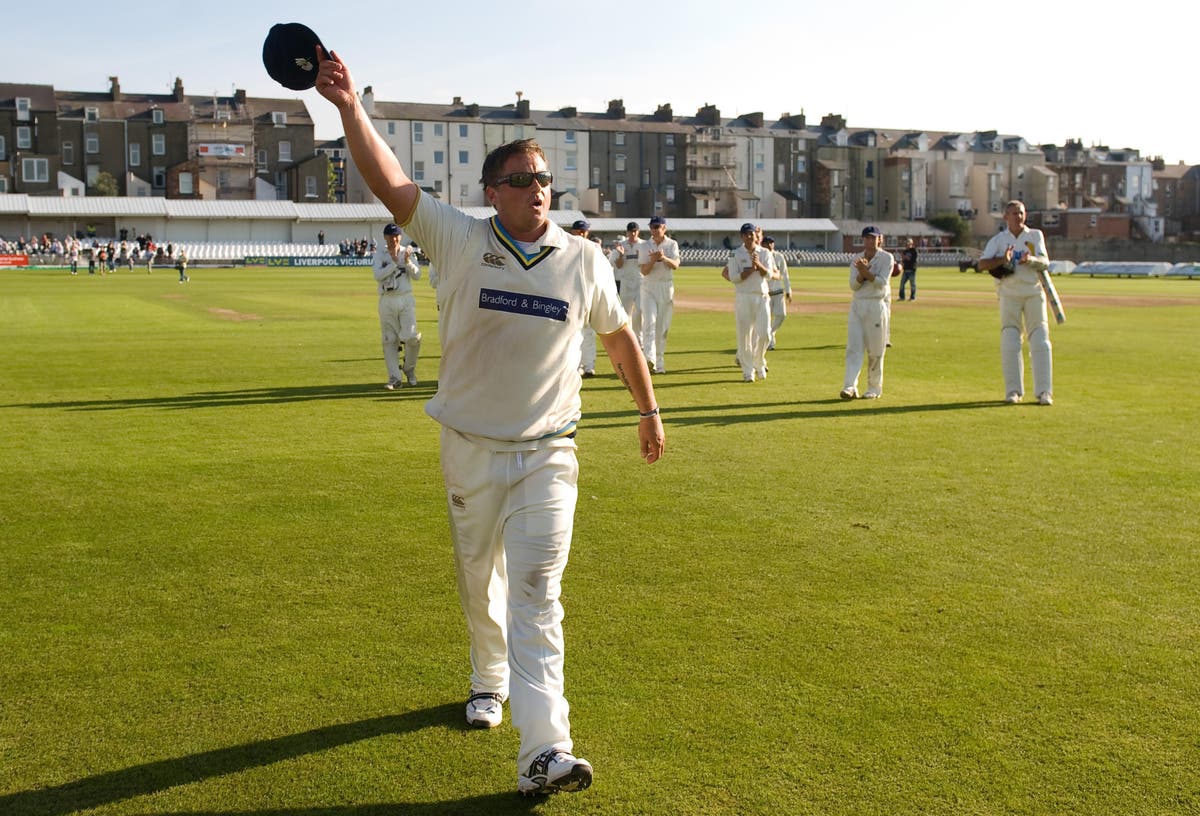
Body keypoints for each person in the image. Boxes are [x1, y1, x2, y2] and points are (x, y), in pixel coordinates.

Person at [316, 46, 664, 797]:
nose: (536, 188)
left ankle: (545, 750)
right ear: (493, 192)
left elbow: (618, 335)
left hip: (549, 453)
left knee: (537, 592)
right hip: (469, 447)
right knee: (481, 578)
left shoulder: (584, 260)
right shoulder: (459, 240)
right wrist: (349, 109)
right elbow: (391, 183)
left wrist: (648, 408)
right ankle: (487, 680)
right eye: (520, 179)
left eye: (543, 177)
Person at [978, 200, 1053, 405]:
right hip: (1008, 293)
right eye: (1013, 214)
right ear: (1005, 217)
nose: (1018, 217)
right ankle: (1013, 391)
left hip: (1033, 292)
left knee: (1040, 340)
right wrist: (1003, 260)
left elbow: (1045, 262)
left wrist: (1031, 260)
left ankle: (1044, 392)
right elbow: (982, 264)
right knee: (1010, 341)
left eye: (1021, 213)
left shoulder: (1035, 235)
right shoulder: (999, 240)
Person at [840, 226, 892, 400]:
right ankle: (849, 386)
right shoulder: (857, 258)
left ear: (880, 239)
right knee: (853, 347)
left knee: (875, 349)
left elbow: (881, 283)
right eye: (867, 238)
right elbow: (853, 285)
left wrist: (864, 272)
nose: (870, 241)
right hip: (857, 305)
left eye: (873, 238)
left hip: (876, 305)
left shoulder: (886, 258)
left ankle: (874, 388)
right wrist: (862, 275)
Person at [373, 223, 423, 389]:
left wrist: (407, 261)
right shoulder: (380, 254)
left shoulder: (407, 251)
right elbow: (378, 275)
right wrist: (394, 262)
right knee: (389, 340)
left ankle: (409, 369)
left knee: (412, 338)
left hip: (405, 298)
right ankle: (394, 378)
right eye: (390, 236)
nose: (394, 239)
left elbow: (417, 275)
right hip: (387, 299)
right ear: (385, 237)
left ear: (400, 237)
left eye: (396, 236)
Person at [724, 223, 774, 382]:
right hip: (744, 296)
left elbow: (770, 275)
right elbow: (733, 277)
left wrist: (758, 265)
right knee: (744, 335)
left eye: (751, 234)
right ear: (742, 237)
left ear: (755, 236)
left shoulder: (765, 253)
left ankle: (759, 361)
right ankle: (747, 370)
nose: (749, 237)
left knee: (765, 333)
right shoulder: (735, 254)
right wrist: (749, 270)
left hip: (762, 296)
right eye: (746, 234)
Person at [637, 216, 679, 374]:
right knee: (649, 323)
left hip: (666, 287)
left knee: (662, 327)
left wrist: (663, 258)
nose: (654, 230)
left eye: (657, 227)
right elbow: (644, 271)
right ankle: (650, 359)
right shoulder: (644, 245)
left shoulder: (672, 244)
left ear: (664, 228)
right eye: (652, 227)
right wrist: (653, 260)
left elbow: (675, 265)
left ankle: (659, 362)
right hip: (648, 287)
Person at [569, 220, 600, 378]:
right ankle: (577, 365)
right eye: (579, 231)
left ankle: (589, 365)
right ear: (573, 231)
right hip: (573, 295)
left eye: (584, 231)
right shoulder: (566, 248)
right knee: (574, 331)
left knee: (589, 332)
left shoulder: (594, 249)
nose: (581, 234)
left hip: (590, 293)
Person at [608, 222, 643, 340]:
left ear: (638, 232)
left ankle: (639, 338)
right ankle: (629, 339)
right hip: (626, 282)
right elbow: (618, 265)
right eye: (630, 231)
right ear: (627, 232)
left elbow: (645, 264)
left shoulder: (644, 245)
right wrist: (621, 255)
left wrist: (641, 257)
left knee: (640, 311)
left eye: (635, 231)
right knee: (625, 313)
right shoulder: (621, 245)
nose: (633, 234)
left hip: (640, 281)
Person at [762, 236, 792, 351]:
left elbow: (785, 274)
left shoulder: (779, 257)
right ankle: (770, 342)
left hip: (779, 292)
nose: (769, 245)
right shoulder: (761, 257)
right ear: (763, 244)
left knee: (782, 315)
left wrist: (789, 291)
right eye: (767, 243)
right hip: (766, 293)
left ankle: (771, 333)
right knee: (766, 319)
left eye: (771, 243)